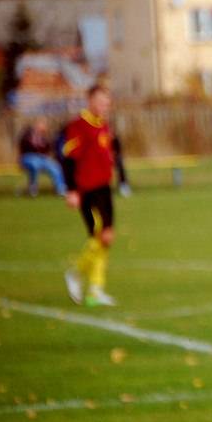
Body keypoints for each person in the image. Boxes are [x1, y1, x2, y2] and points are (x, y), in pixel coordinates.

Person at [62, 84, 118, 307]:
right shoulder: (78, 126)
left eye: (107, 102)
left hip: (104, 189)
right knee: (97, 236)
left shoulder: (103, 125)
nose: (105, 105)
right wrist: (72, 190)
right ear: (90, 100)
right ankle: (75, 273)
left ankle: (95, 290)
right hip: (87, 191)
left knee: (106, 238)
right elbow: (68, 159)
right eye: (101, 101)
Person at [18, 117, 67, 196]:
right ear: (36, 125)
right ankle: (33, 188)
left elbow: (48, 149)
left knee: (55, 167)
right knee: (34, 164)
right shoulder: (28, 134)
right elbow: (24, 146)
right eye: (42, 125)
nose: (43, 127)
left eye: (44, 125)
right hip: (28, 157)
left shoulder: (44, 138)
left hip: (42, 159)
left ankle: (61, 189)